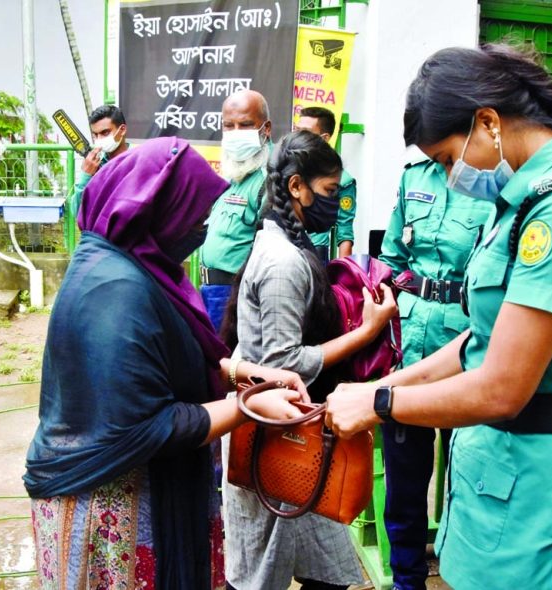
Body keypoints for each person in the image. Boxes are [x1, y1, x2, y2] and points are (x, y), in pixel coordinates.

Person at [325, 44, 552, 589]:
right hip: (501, 480)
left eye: (448, 159)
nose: (449, 178)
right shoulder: (520, 202)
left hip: (548, 495)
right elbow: (478, 341)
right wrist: (385, 384)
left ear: (488, 122)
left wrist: (379, 403)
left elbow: (502, 387)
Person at [23, 136, 311, 589]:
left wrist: (238, 372)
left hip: (146, 486)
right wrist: (249, 406)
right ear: (159, 210)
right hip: (112, 502)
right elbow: (143, 424)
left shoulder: (135, 265)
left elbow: (158, 360)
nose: (201, 229)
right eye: (194, 217)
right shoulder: (117, 290)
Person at [220, 131, 398, 590]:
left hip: (293, 431)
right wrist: (367, 332)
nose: (336, 203)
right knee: (264, 572)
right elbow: (286, 361)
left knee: (323, 565)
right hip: (277, 435)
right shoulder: (284, 261)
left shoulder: (290, 245)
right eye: (329, 191)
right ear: (297, 187)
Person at [378, 160, 493, 590]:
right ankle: (407, 579)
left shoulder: (494, 181)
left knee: (471, 473)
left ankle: (467, 572)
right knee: (404, 480)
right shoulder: (414, 176)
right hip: (409, 343)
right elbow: (391, 256)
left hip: (470, 343)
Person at [199, 89, 272, 331]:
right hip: (209, 292)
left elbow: (268, 250)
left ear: (266, 129)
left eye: (246, 125)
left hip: (235, 296)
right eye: (228, 126)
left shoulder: (266, 180)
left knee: (227, 365)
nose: (235, 134)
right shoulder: (233, 176)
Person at [295, 106, 358, 262]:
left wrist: (344, 276)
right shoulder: (285, 168)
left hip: (314, 256)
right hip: (280, 251)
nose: (298, 136)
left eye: (306, 132)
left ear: (324, 138)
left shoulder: (342, 180)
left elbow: (345, 232)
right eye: (296, 130)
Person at [68, 104, 129, 218]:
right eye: (95, 135)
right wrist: (85, 176)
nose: (99, 139)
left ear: (122, 130)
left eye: (105, 133)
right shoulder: (96, 166)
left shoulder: (139, 158)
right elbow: (77, 213)